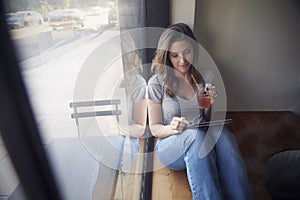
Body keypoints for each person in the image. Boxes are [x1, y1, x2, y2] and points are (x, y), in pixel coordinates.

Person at [147, 23, 253, 200]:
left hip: (202, 137)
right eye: (175, 55)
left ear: (194, 49)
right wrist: (173, 128)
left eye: (187, 52)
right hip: (171, 144)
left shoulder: (205, 77)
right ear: (166, 56)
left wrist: (210, 103)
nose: (182, 60)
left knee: (225, 136)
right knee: (195, 136)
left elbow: (208, 120)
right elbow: (155, 128)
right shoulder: (156, 83)